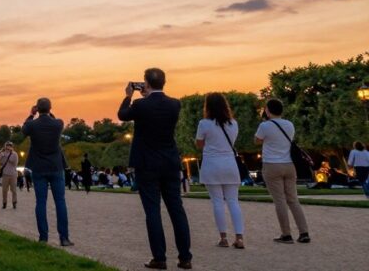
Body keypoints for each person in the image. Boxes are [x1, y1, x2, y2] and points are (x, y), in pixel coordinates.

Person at [118, 68, 192, 270]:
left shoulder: (140, 105)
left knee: (153, 211)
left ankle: (159, 258)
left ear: (146, 83)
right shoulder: (174, 104)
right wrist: (148, 95)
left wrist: (128, 96)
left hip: (147, 163)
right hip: (169, 161)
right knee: (176, 209)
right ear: (164, 82)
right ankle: (185, 257)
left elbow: (122, 115)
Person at [255, 98, 310, 244]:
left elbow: (257, 141)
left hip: (272, 165)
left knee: (279, 200)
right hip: (289, 165)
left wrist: (265, 121)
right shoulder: (289, 124)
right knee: (293, 199)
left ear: (267, 110)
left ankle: (286, 234)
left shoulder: (264, 126)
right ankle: (304, 232)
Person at [195, 92, 245, 249]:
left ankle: (223, 238)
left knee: (217, 202)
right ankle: (239, 237)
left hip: (212, 164)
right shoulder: (233, 123)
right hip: (229, 164)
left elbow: (199, 144)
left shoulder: (204, 123)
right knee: (233, 201)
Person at [22, 97, 73, 246]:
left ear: (37, 108)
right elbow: (54, 120)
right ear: (50, 108)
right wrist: (49, 114)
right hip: (56, 167)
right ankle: (64, 238)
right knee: (60, 202)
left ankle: (43, 237)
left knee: (41, 203)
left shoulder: (32, 125)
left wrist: (31, 114)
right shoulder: (58, 124)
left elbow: (24, 129)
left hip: (39, 168)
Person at [0, 141, 19, 209]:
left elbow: (14, 162)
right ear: (5, 146)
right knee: (4, 190)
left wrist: (6, 155)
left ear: (12, 146)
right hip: (5, 174)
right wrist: (0, 155)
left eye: (9, 145)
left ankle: (14, 202)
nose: (8, 147)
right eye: (7, 145)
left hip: (13, 174)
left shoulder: (14, 154)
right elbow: (0, 162)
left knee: (14, 190)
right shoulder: (3, 154)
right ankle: (4, 203)